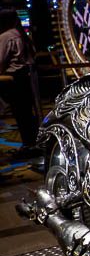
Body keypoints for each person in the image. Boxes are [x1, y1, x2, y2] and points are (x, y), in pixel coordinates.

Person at [0, 10, 40, 157]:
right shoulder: (22, 35)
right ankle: (33, 143)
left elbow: (1, 61)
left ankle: (28, 145)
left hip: (13, 79)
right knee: (27, 113)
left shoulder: (5, 37)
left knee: (20, 114)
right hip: (27, 76)